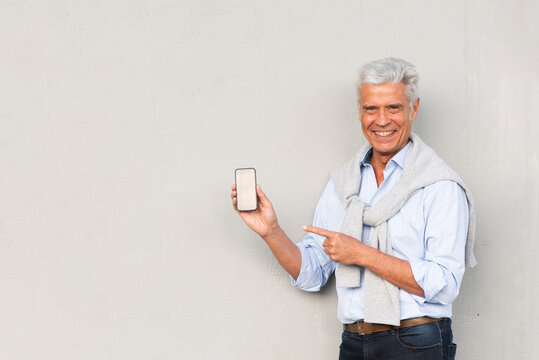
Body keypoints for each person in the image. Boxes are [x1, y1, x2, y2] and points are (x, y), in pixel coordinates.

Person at [230, 57, 476, 360]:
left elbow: (445, 284)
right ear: (360, 112)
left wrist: (361, 254)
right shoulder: (343, 185)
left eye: (393, 108)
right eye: (370, 108)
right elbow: (312, 274)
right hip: (354, 343)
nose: (381, 120)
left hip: (416, 342)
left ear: (413, 109)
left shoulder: (439, 185)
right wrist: (270, 232)